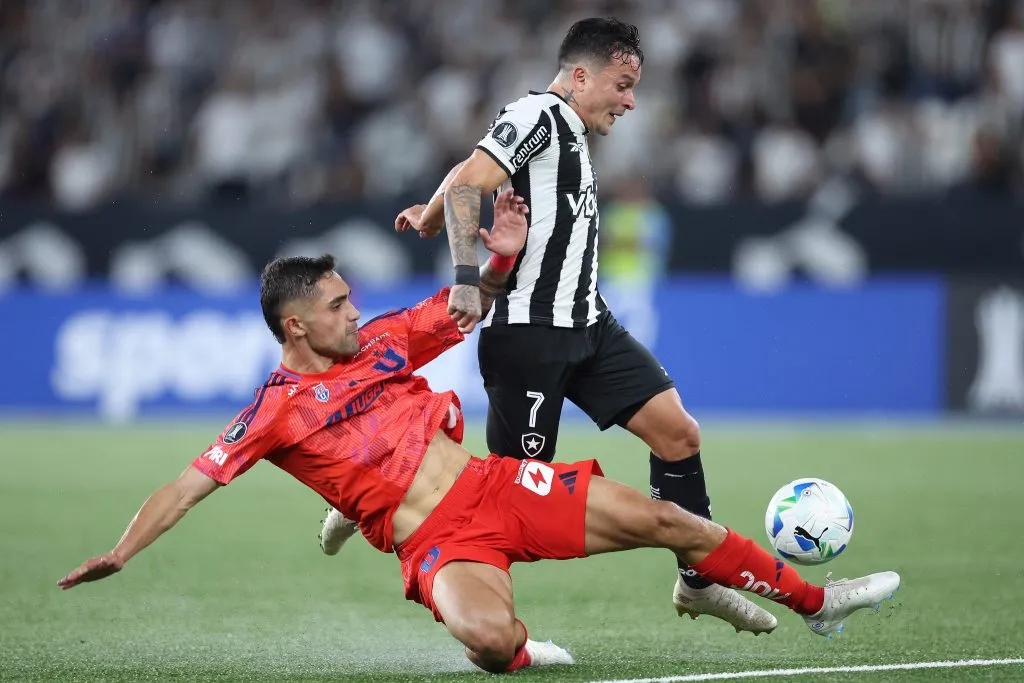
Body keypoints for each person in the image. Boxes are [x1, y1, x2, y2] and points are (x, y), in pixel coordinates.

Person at [58, 243, 900, 673]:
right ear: (296, 327)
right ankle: (514, 648)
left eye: (351, 298)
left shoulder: (384, 340)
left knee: (669, 518)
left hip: (495, 486)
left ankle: (816, 600)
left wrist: (496, 255)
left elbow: (464, 307)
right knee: (493, 643)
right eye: (338, 303)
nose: (357, 311)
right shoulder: (274, 411)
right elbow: (188, 484)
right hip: (437, 544)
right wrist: (122, 551)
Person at [381, 16, 766, 632]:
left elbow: (463, 176)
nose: (630, 100)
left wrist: (429, 216)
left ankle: (699, 581)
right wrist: (461, 272)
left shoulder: (568, 130)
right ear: (580, 75)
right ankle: (395, 490)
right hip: (529, 336)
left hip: (589, 324)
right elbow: (472, 185)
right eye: (622, 83)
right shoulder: (540, 115)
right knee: (505, 503)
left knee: (679, 435)